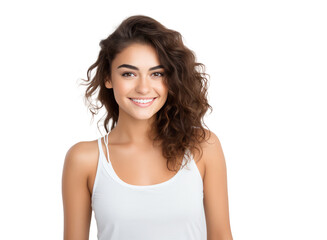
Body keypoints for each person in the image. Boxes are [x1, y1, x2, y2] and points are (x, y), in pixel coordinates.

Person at [62, 15, 233, 240]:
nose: (143, 88)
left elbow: (221, 235)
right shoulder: (84, 159)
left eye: (157, 74)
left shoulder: (203, 147)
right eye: (129, 74)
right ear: (108, 78)